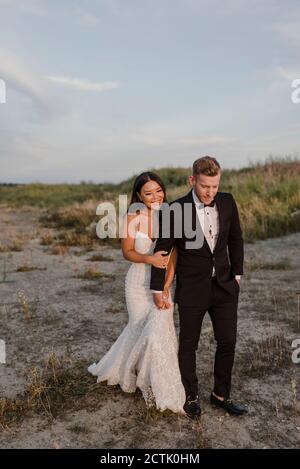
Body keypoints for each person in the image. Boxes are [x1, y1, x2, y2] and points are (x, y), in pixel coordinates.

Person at [150, 156, 248, 419]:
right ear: (192, 180)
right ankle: (190, 395)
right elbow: (162, 249)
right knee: (188, 345)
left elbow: (236, 239)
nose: (210, 192)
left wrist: (237, 274)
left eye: (214, 186)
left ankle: (220, 394)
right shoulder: (176, 209)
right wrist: (157, 289)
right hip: (193, 289)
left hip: (225, 287)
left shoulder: (227, 201)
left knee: (227, 341)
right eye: (205, 186)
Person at [88, 172, 186, 414]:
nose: (155, 196)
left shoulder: (171, 216)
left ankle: (159, 381)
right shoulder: (132, 216)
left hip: (163, 283)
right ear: (139, 196)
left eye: (159, 190)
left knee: (159, 329)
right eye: (148, 193)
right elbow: (128, 252)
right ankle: (127, 369)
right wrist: (149, 258)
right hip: (136, 283)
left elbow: (174, 255)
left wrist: (165, 285)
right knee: (138, 327)